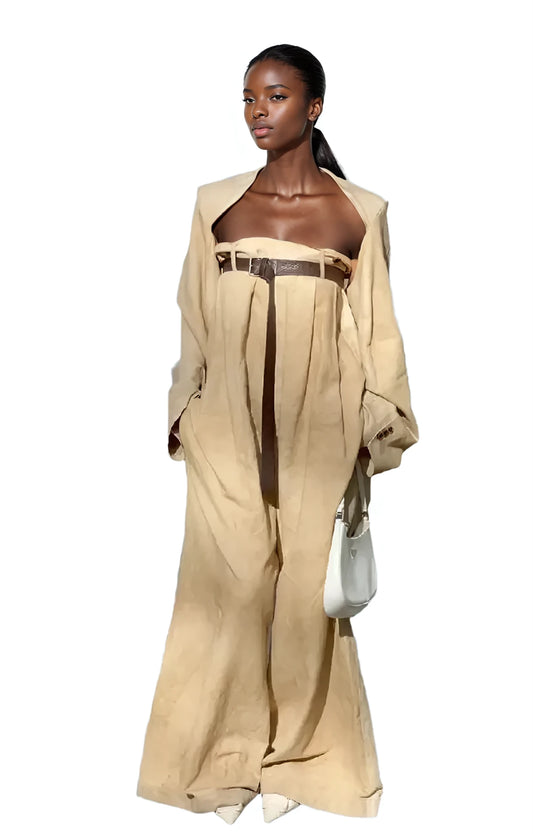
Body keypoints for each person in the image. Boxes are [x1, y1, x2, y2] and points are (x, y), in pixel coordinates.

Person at [136, 43, 419, 824]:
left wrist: (374, 428)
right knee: (222, 597)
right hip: (224, 432)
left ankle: (300, 761)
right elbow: (194, 318)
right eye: (248, 98)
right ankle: (219, 760)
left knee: (304, 603)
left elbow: (379, 331)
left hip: (320, 428)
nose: (258, 111)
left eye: (275, 96)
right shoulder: (214, 205)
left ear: (313, 107)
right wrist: (185, 412)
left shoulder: (359, 212)